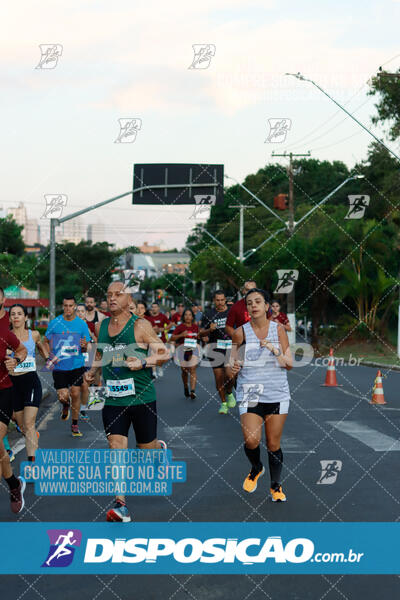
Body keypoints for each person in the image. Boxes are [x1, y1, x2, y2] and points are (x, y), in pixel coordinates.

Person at [85, 281, 171, 523]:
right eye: (109, 294)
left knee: (145, 453)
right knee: (116, 447)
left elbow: (165, 353)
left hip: (142, 397)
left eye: (118, 294)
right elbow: (101, 354)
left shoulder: (140, 325)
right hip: (113, 399)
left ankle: (157, 451)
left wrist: (143, 362)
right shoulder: (102, 325)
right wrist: (93, 372)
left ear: (128, 300)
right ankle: (121, 505)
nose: (112, 298)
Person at [227, 288, 292, 502]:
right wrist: (233, 368)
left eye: (258, 301)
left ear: (266, 307)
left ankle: (276, 486)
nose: (253, 305)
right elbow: (229, 366)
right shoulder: (240, 333)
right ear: (246, 309)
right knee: (252, 440)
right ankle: (256, 467)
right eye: (249, 303)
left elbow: (289, 364)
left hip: (277, 394)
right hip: (250, 393)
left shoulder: (279, 330)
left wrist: (274, 349)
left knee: (273, 444)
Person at [43, 296, 90, 437]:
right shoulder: (55, 323)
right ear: (62, 306)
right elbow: (45, 341)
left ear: (75, 306)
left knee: (75, 393)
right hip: (60, 366)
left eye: (71, 305)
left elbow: (86, 347)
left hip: (76, 365)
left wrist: (84, 346)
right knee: (63, 396)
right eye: (65, 305)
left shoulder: (81, 325)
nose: (68, 308)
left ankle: (75, 424)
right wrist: (48, 356)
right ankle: (65, 404)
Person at [7, 304, 47, 464]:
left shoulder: (35, 335)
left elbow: (45, 353)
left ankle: (32, 464)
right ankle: (31, 434)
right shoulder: (5, 336)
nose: (16, 316)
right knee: (23, 427)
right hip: (13, 384)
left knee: (29, 423)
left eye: (19, 314)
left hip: (30, 381)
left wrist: (49, 359)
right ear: (10, 318)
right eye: (13, 314)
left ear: (25, 317)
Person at [0, 287, 28, 513]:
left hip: (3, 392)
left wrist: (16, 360)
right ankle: (13, 484)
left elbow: (21, 349)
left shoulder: (5, 331)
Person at [200, 291, 235, 414]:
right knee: (219, 377)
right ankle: (224, 403)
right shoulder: (209, 314)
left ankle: (229, 392)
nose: (220, 302)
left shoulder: (232, 311)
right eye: (217, 300)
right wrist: (209, 329)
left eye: (222, 300)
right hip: (215, 348)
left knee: (230, 374)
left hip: (231, 346)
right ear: (214, 301)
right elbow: (201, 333)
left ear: (225, 299)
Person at [170, 308, 199, 399]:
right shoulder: (180, 327)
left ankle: (193, 391)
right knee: (184, 371)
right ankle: (186, 386)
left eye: (190, 315)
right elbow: (172, 338)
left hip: (193, 350)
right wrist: (181, 335)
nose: (188, 317)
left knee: (192, 369)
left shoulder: (195, 327)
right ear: (183, 317)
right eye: (186, 315)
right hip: (182, 351)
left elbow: (200, 336)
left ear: (192, 317)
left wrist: (202, 337)